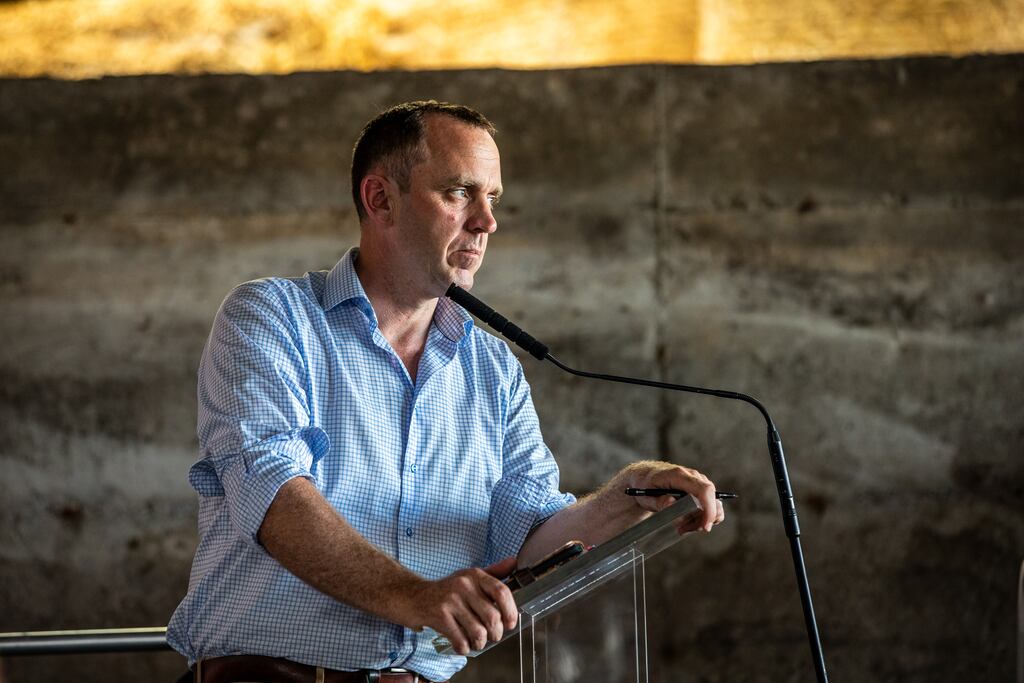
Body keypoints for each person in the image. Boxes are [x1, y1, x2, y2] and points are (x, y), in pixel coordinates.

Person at [167, 100, 725, 683]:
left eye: (494, 199)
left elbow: (530, 541)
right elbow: (274, 497)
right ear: (380, 199)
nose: (487, 223)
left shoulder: (493, 368)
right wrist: (416, 596)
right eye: (460, 193)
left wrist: (626, 496)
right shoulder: (271, 317)